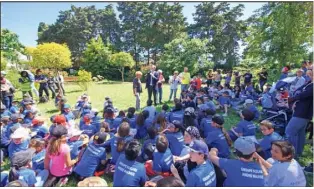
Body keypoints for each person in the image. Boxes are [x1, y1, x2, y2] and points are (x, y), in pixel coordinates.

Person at [286, 68, 313, 158]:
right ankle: (298, 153)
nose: (308, 73)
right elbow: (299, 90)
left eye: (311, 70)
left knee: (289, 131)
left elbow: (304, 94)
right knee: (300, 133)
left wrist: (292, 99)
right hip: (303, 112)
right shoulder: (309, 83)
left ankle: (290, 155)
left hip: (303, 112)